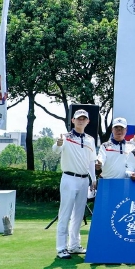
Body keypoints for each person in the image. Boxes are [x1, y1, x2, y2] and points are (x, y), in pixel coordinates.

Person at [53, 109, 98, 259]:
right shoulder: (65, 136)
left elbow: (91, 161)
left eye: (84, 118)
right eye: (78, 118)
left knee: (78, 214)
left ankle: (74, 245)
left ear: (88, 121)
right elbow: (56, 150)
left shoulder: (90, 139)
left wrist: (93, 178)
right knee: (65, 213)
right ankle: (61, 247)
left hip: (84, 180)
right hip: (69, 178)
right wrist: (58, 144)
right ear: (73, 120)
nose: (81, 120)